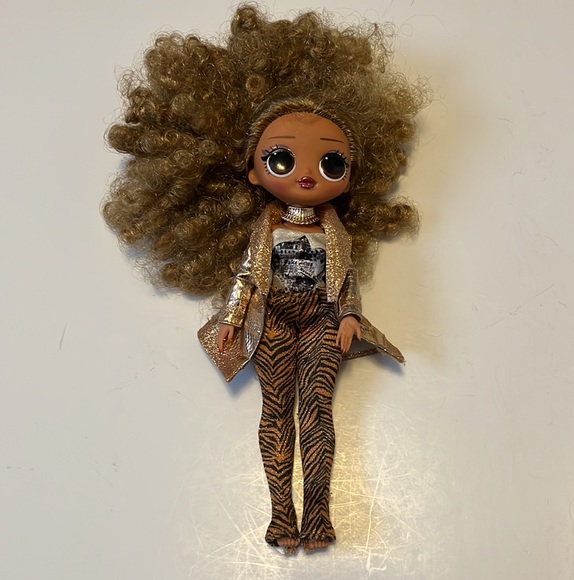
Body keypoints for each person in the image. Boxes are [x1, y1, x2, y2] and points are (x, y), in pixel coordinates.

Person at [103, 4, 426, 553]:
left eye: (331, 164)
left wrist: (349, 314)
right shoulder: (266, 226)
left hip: (323, 321)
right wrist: (233, 318)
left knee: (317, 409)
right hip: (272, 319)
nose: (308, 173)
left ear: (351, 176)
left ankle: (318, 516)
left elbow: (345, 277)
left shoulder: (335, 229)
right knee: (275, 412)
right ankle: (282, 517)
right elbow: (249, 276)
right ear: (252, 172)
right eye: (281, 160)